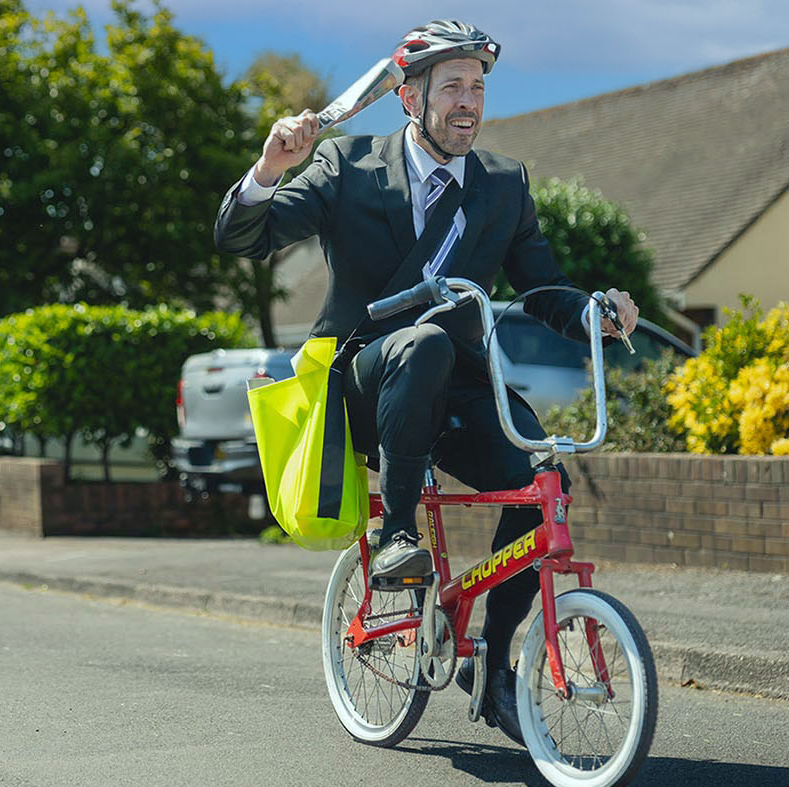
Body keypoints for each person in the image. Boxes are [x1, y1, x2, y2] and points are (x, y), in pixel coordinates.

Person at [214, 19, 640, 742]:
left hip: (458, 387)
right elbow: (240, 236)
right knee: (421, 345)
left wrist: (596, 313)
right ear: (410, 98)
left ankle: (493, 662)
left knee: (543, 481)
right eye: (452, 87)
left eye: (477, 87)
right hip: (364, 378)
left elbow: (543, 288)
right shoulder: (347, 167)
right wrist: (268, 169)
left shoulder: (504, 185)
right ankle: (397, 536)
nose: (468, 101)